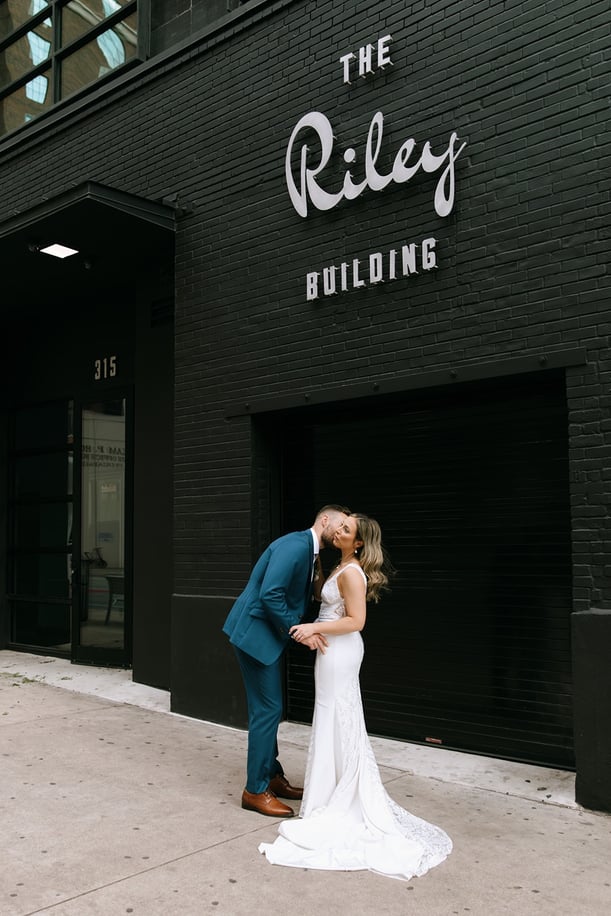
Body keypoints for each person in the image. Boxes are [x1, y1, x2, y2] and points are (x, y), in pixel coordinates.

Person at [259, 514, 453, 880]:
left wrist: (312, 626)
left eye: (346, 530)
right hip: (332, 650)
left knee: (336, 714)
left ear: (359, 542)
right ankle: (330, 791)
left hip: (341, 650)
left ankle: (338, 796)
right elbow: (327, 599)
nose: (339, 531)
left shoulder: (352, 573)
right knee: (331, 716)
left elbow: (356, 621)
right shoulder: (341, 565)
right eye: (341, 525)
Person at [223, 504, 350, 818]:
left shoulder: (310, 551)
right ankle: (255, 790)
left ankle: (272, 776)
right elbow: (271, 594)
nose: (341, 532)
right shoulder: (295, 546)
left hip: (266, 636)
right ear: (324, 519)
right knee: (267, 710)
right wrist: (298, 631)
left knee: (269, 709)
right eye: (340, 525)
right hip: (255, 635)